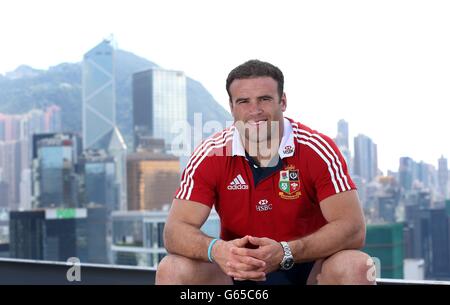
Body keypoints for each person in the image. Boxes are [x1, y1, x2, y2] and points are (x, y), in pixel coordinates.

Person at [156, 59, 375, 285]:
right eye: (243, 101)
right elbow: (174, 231)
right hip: (238, 271)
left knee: (357, 265)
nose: (255, 110)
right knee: (171, 268)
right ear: (231, 107)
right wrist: (217, 250)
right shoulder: (211, 153)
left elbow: (353, 229)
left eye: (265, 99)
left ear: (283, 101)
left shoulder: (316, 149)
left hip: (307, 268)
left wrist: (286, 252)